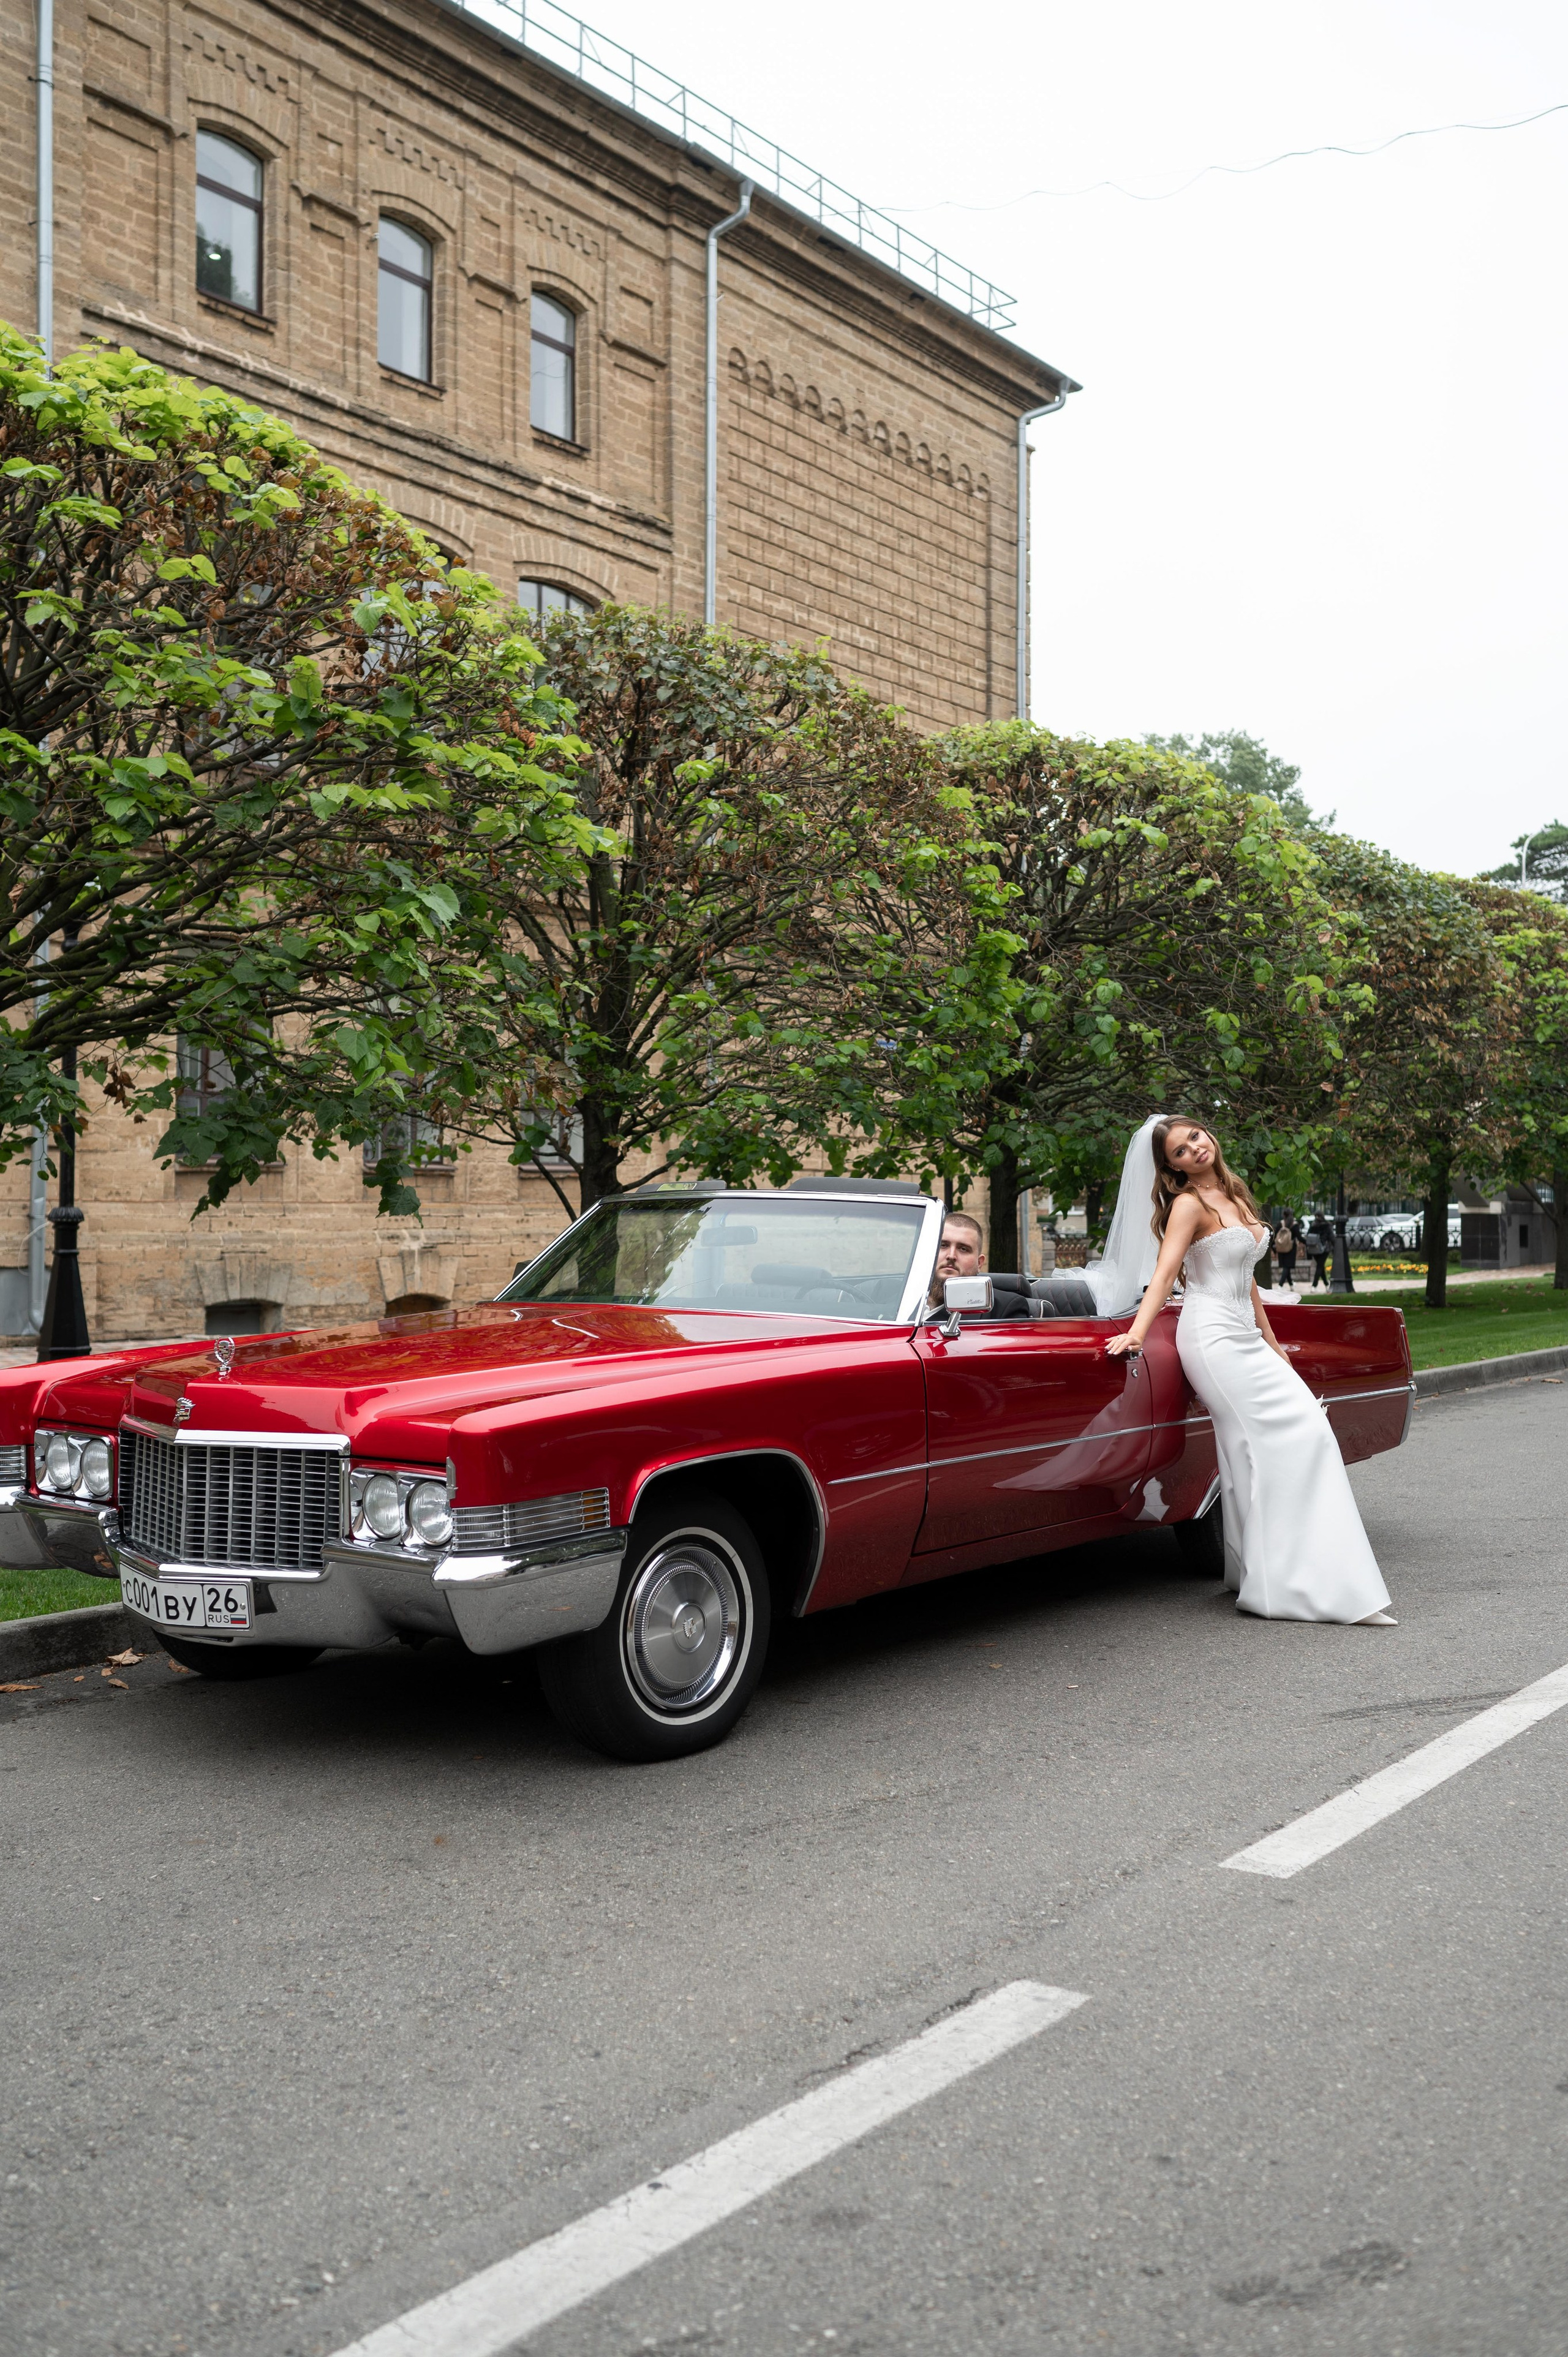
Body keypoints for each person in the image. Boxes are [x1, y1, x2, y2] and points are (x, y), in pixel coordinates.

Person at [1102, 1115, 1395, 1625]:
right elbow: (1165, 1273)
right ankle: (1297, 1586)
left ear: (1208, 1136)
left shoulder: (1236, 1195)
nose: (1193, 1149)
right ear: (1170, 1168)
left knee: (1260, 1448)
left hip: (1248, 1338)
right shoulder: (1188, 1205)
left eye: (1195, 1136)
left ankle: (1260, 1574)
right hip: (1212, 1341)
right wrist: (1136, 1332)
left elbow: (1249, 1282)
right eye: (1178, 1152)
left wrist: (1273, 1342)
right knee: (1298, 1439)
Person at [928, 1210, 1030, 1318]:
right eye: (943, 1245)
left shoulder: (1004, 1310)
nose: (951, 1256)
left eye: (963, 1249)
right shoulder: (909, 1298)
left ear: (979, 1263)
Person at [1272, 1210, 1300, 1290]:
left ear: (1284, 1215)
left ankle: (1291, 1285)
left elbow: (1275, 1235)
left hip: (1281, 1248)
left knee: (1286, 1267)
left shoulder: (1280, 1224)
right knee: (1287, 1267)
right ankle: (1280, 1286)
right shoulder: (1295, 1225)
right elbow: (1299, 1237)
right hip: (1291, 1249)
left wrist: (1274, 1248)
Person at [1303, 1215, 1332, 1290]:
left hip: (1314, 1249)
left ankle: (1326, 1284)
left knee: (1320, 1266)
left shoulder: (1313, 1225)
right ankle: (1314, 1286)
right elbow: (1331, 1237)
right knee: (1320, 1267)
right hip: (1324, 1249)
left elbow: (1309, 1236)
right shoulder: (1327, 1226)